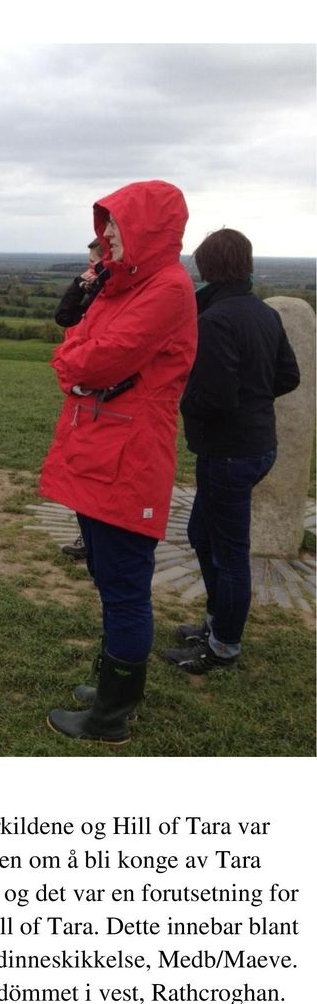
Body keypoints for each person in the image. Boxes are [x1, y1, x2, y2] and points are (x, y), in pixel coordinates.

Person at [39, 181, 197, 743]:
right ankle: (113, 684)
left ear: (148, 229)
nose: (105, 233)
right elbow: (78, 339)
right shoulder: (124, 286)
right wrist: (76, 362)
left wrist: (75, 365)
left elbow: (100, 360)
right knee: (108, 578)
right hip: (100, 447)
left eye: (115, 223)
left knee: (125, 585)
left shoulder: (168, 290)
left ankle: (111, 716)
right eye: (104, 223)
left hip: (128, 459)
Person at [163, 228, 300, 674]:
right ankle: (215, 623)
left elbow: (214, 398)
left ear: (208, 267)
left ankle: (223, 646)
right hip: (257, 446)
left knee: (229, 554)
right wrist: (253, 398)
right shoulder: (262, 313)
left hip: (228, 453)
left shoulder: (217, 320)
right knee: (202, 535)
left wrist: (180, 398)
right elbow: (288, 377)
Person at [55, 238, 109, 559]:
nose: (89, 268)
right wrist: (80, 284)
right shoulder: (93, 287)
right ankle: (88, 539)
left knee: (97, 471)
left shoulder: (112, 293)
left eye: (92, 263)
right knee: (82, 468)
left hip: (103, 394)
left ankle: (97, 542)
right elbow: (64, 317)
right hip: (81, 390)